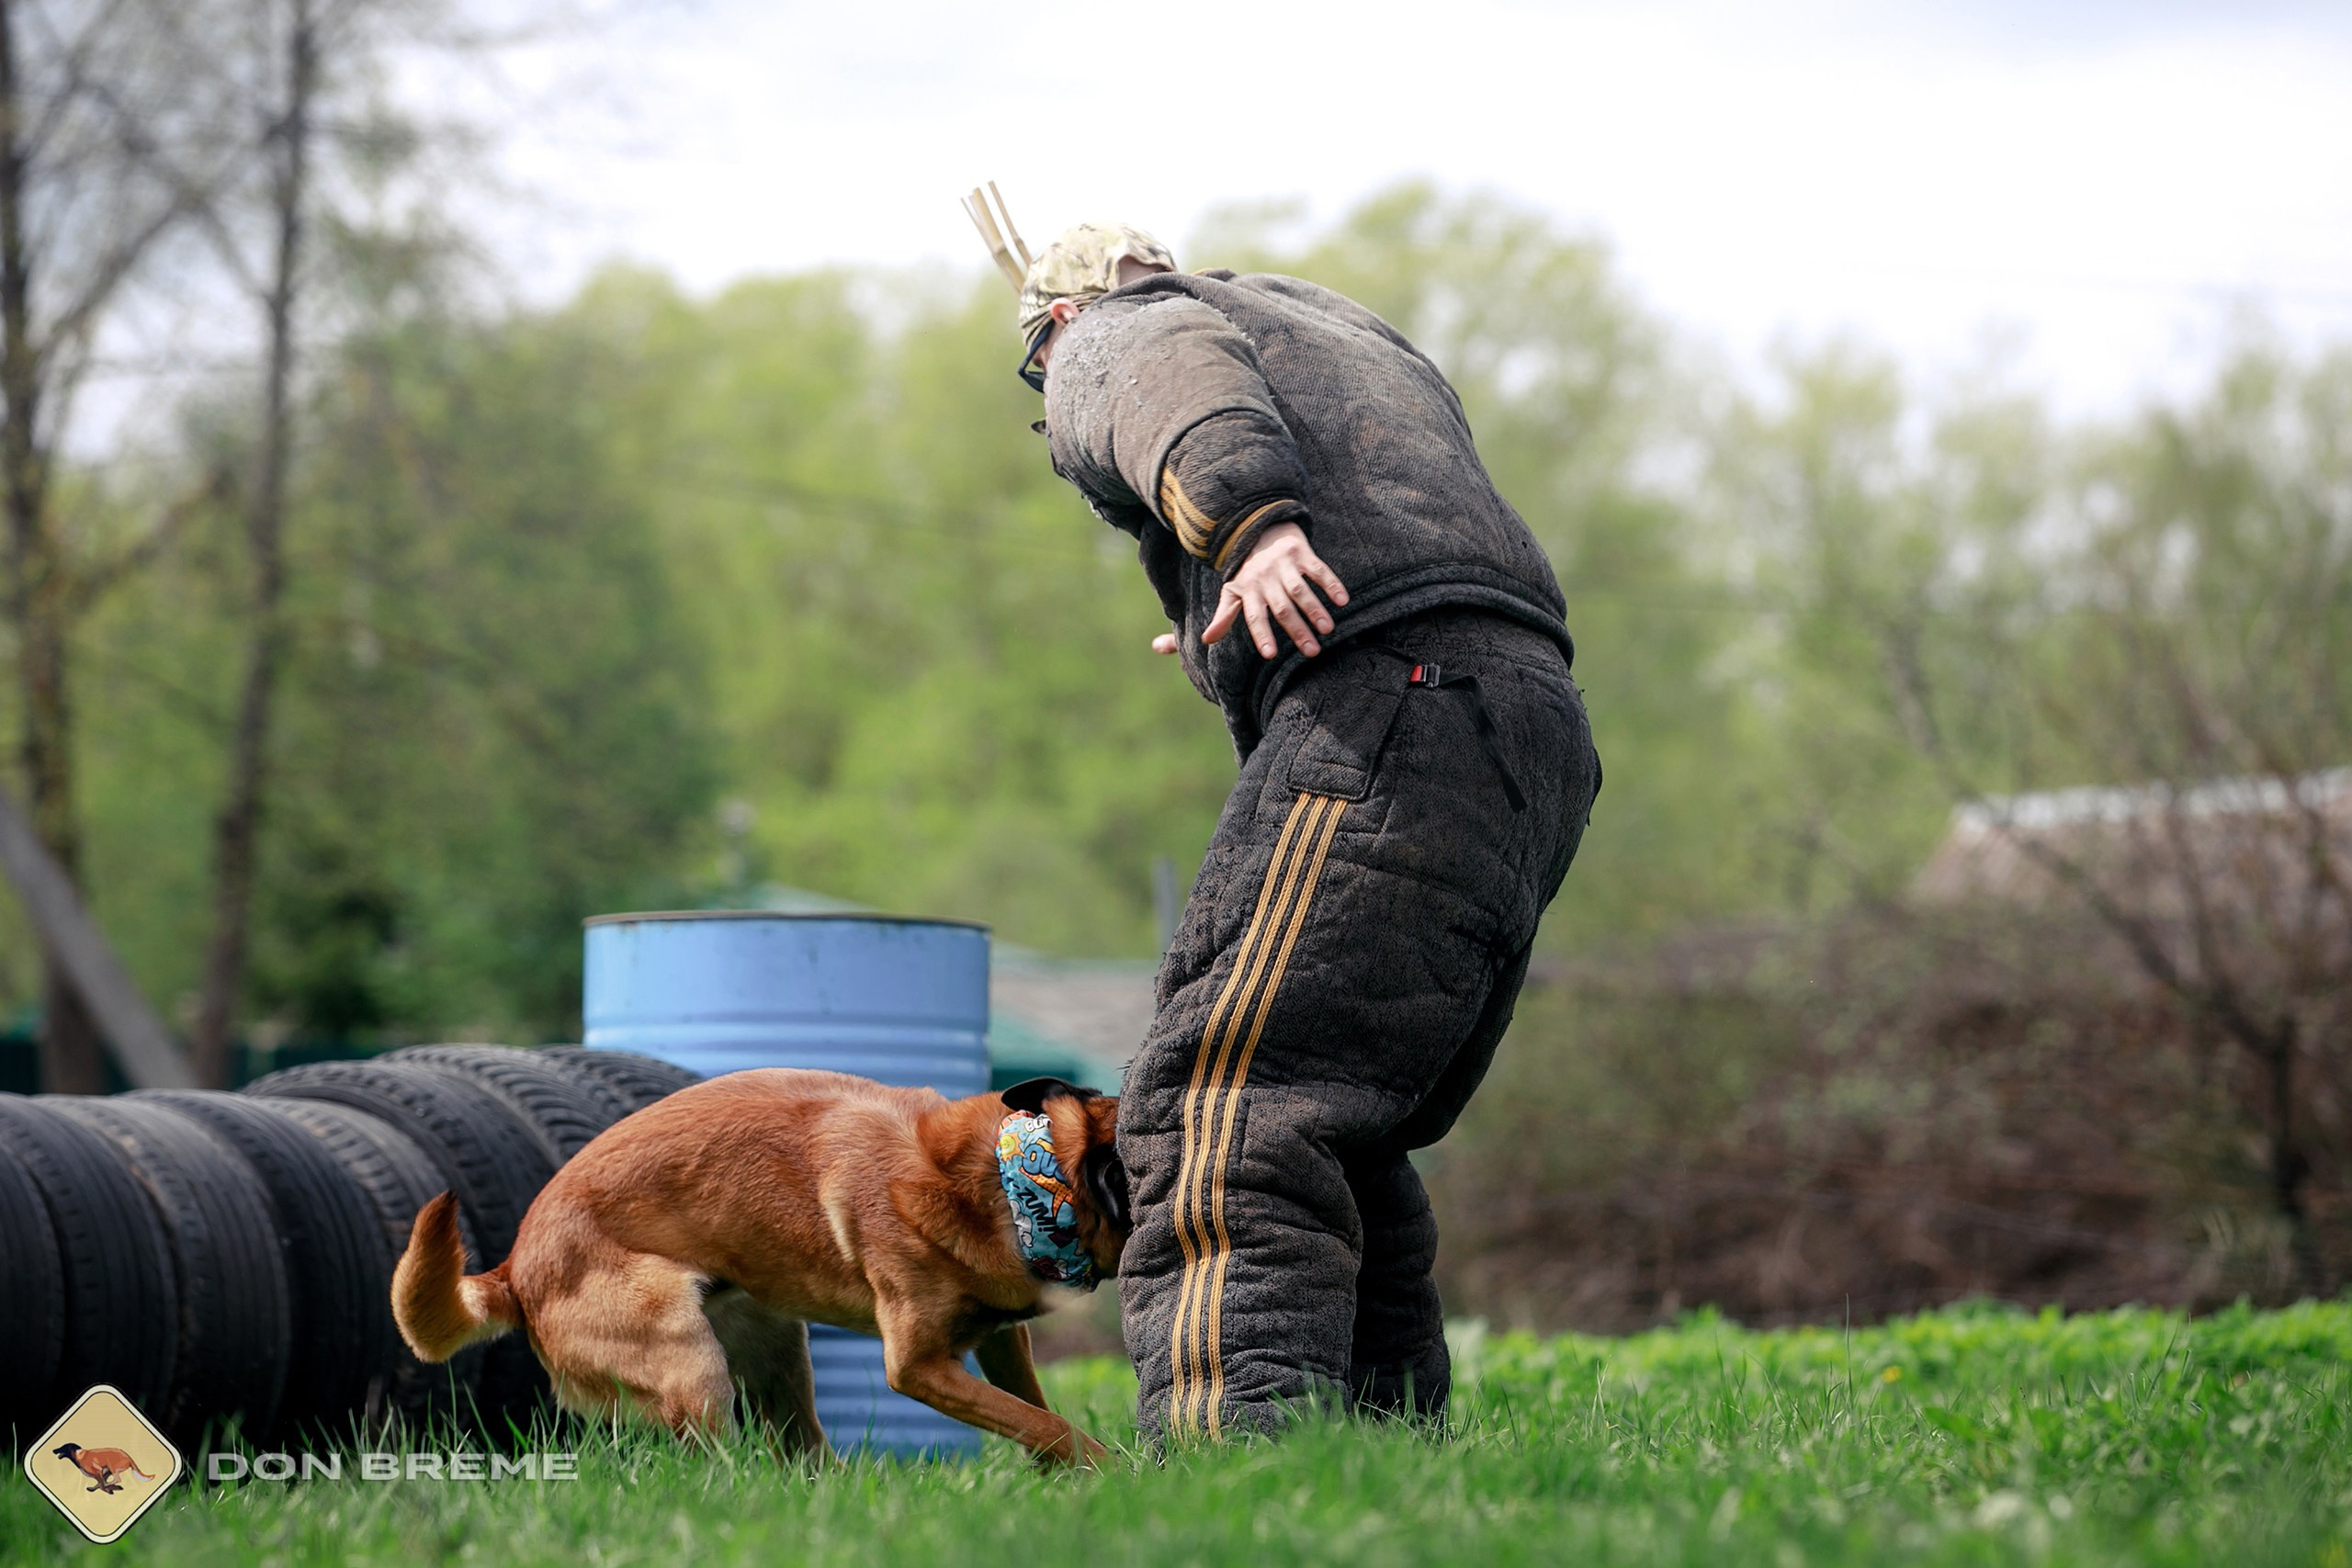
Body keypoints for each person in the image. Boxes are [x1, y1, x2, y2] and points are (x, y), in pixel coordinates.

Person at [1001, 218, 1600, 1440]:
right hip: (1530, 727)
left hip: (1399, 704)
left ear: (1057, 322)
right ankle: (1378, 1456)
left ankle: (1236, 1460)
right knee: (1338, 1115)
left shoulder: (1114, 327)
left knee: (1221, 1101)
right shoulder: (1335, 327)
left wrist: (1248, 528)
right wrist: (1221, 607)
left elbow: (1167, 377)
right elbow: (1392, 516)